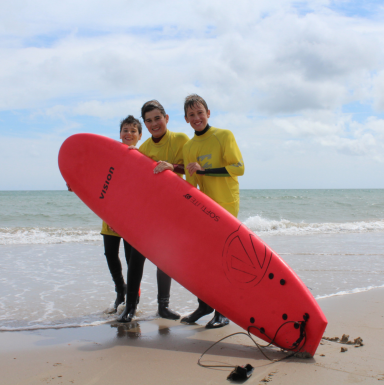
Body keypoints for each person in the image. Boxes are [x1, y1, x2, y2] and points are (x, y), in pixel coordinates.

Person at [118, 99, 189, 323]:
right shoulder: (145, 148)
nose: (154, 124)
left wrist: (173, 167)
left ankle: (163, 307)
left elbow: (193, 170)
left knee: (164, 260)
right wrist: (130, 157)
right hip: (149, 210)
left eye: (157, 118)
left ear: (166, 118)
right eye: (148, 121)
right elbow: (134, 181)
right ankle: (130, 307)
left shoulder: (181, 140)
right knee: (137, 258)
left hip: (173, 209)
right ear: (145, 125)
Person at [67, 115, 143, 313]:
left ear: (140, 136)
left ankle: (134, 297)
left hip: (130, 218)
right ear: (120, 134)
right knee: (110, 255)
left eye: (133, 131)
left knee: (130, 259)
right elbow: (95, 176)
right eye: (125, 130)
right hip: (109, 214)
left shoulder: (143, 156)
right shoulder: (110, 154)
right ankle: (121, 291)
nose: (129, 134)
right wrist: (75, 183)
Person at [181, 94, 245, 329]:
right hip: (205, 209)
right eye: (191, 115)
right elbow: (190, 185)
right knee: (202, 260)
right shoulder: (189, 147)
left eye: (200, 113)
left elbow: (239, 168)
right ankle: (205, 305)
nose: (196, 118)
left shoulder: (224, 135)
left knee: (221, 260)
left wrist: (205, 171)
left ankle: (223, 311)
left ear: (208, 113)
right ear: (186, 119)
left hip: (226, 204)